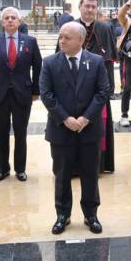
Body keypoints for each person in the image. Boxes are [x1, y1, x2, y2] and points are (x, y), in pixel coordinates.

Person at [40, 22, 111, 235]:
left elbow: (103, 92)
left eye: (67, 38)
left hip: (88, 130)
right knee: (62, 175)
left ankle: (91, 214)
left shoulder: (96, 62)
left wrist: (86, 118)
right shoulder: (50, 63)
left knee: (90, 174)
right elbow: (46, 94)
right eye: (60, 37)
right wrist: (66, 118)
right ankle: (63, 214)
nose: (62, 41)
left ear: (80, 40)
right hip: (61, 129)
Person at [0, 7, 42, 182]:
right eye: (6, 18)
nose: (9, 20)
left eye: (13, 18)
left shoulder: (30, 41)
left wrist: (36, 90)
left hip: (22, 94)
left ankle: (20, 169)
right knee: (1, 133)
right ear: (2, 21)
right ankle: (3, 169)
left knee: (21, 133)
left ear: (19, 21)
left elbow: (38, 67)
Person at [69, 0, 118, 173]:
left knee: (98, 127)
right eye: (87, 6)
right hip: (73, 88)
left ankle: (99, 165)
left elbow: (110, 60)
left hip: (98, 89)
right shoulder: (70, 28)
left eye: (93, 7)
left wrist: (109, 88)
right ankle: (75, 167)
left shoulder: (105, 28)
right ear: (80, 7)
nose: (90, 10)